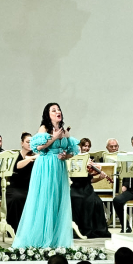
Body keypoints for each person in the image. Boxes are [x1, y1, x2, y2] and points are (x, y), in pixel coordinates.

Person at [13, 103, 79, 248]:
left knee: (58, 199)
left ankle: (56, 239)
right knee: (46, 198)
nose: (57, 112)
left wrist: (66, 156)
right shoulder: (44, 128)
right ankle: (40, 238)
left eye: (58, 109)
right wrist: (54, 138)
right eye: (53, 110)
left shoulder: (64, 131)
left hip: (59, 167)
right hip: (46, 165)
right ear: (48, 115)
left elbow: (73, 151)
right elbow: (37, 147)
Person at [70, 137, 112, 239]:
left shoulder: (89, 160)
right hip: (75, 188)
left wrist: (100, 178)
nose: (86, 148)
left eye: (88, 146)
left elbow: (90, 180)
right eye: (84, 146)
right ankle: (81, 229)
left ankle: (97, 229)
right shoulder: (72, 160)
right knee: (81, 201)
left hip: (87, 188)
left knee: (97, 202)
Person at [7, 132, 36, 231]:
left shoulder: (35, 156)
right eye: (27, 142)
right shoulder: (15, 155)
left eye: (32, 142)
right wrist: (30, 158)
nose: (30, 144)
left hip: (29, 186)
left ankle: (30, 228)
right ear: (22, 143)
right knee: (16, 198)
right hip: (15, 186)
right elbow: (17, 166)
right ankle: (15, 227)